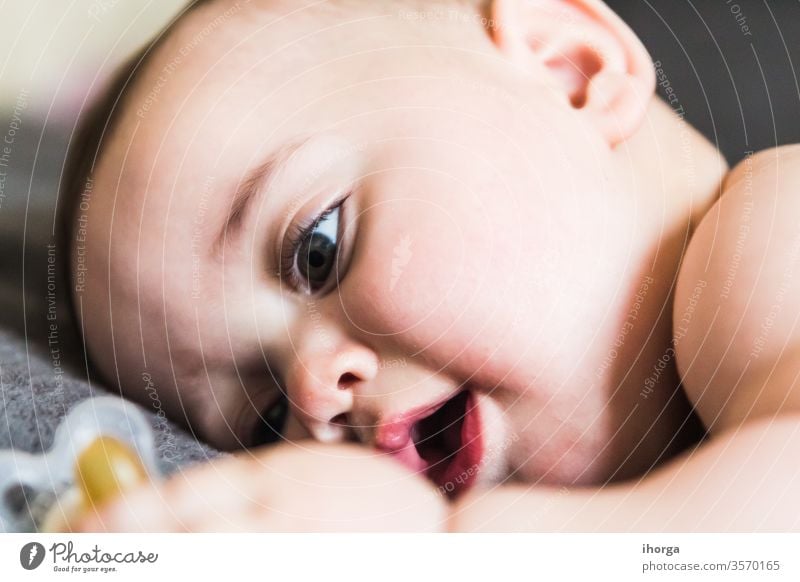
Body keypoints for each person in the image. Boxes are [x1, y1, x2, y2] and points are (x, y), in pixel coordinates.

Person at [60, 0, 800, 531]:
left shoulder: (761, 234)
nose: (314, 394)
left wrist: (439, 549)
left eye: (318, 251)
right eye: (264, 419)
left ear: (570, 70)